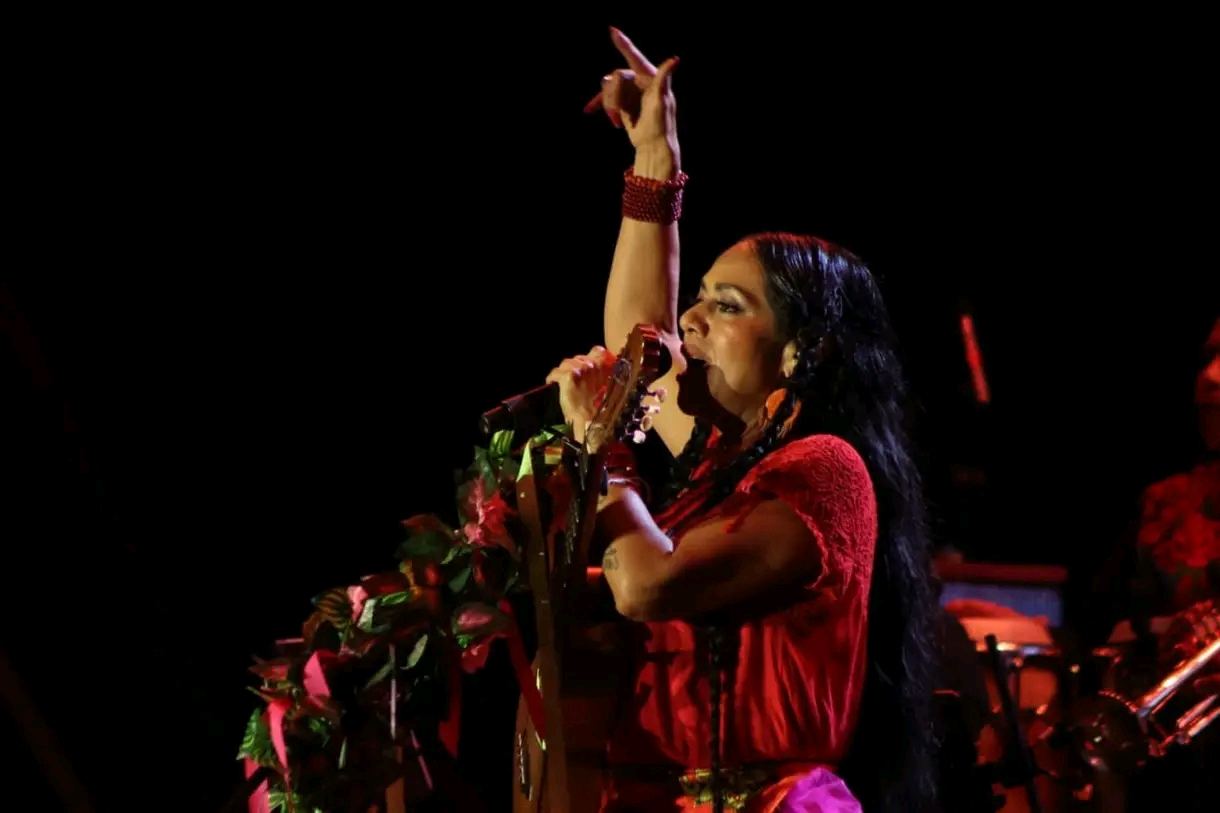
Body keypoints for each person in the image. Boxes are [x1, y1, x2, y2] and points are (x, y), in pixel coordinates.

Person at [542, 28, 940, 813]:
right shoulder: (725, 461)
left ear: (800, 352)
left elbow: (647, 584)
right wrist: (653, 162)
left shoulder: (824, 469)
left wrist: (606, 450)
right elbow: (638, 347)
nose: (689, 321)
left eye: (726, 306)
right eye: (699, 298)